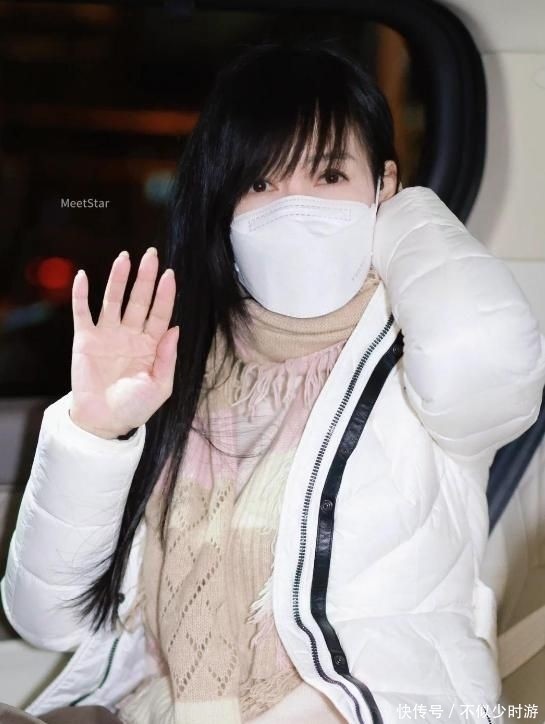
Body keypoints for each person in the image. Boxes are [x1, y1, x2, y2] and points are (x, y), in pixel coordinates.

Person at [1, 39, 545, 724]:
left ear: (381, 185)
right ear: (222, 204)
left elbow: (488, 363)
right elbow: (49, 622)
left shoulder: (417, 358)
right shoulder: (181, 363)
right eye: (259, 183)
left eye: (327, 175)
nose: (293, 209)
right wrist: (94, 430)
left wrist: (407, 214)